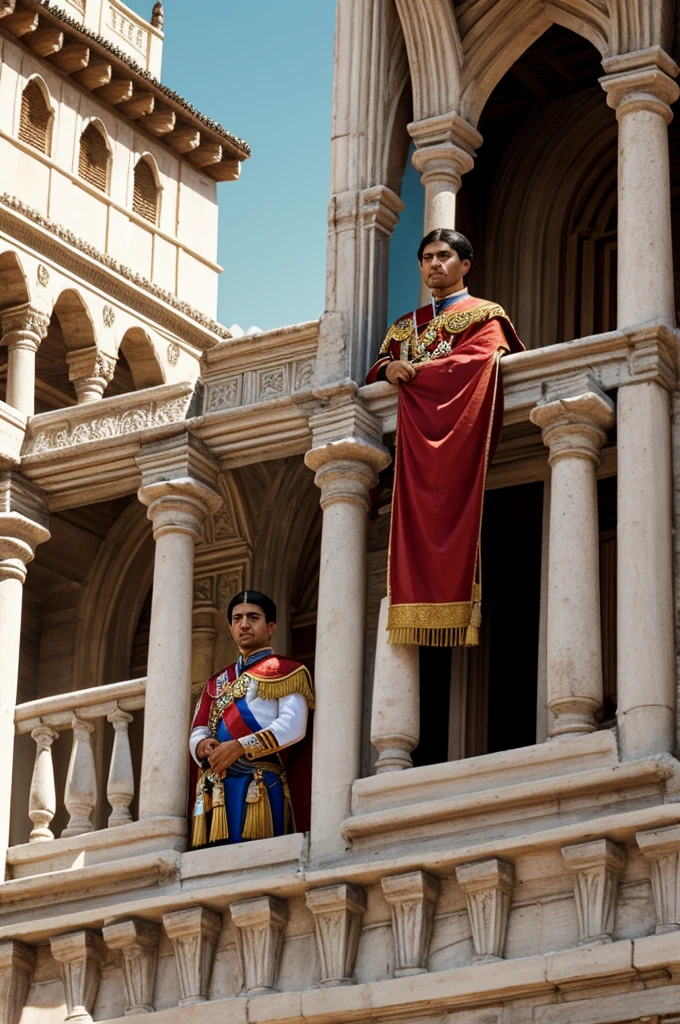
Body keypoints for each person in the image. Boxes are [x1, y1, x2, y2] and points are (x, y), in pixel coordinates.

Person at [366, 228, 524, 648]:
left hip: (453, 439)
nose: (435, 264)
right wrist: (386, 371)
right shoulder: (404, 326)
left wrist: (412, 376)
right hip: (411, 449)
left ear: (464, 265)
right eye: (427, 258)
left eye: (444, 256)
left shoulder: (486, 314)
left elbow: (476, 361)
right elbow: (378, 363)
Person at [189, 590, 314, 846]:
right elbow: (199, 727)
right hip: (217, 789)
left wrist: (240, 746)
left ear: (270, 627)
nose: (244, 624)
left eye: (253, 617)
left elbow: (293, 727)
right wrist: (201, 745)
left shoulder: (288, 672)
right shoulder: (215, 682)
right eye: (237, 619)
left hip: (259, 783)